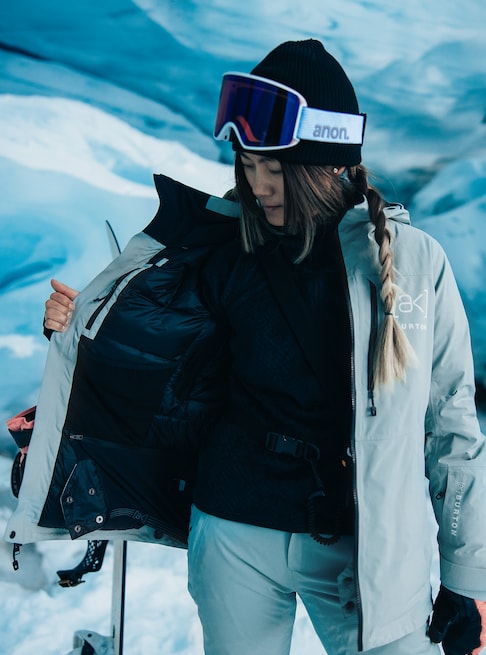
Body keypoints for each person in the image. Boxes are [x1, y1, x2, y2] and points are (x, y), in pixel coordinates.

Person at [18, 39, 486, 655]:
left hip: (365, 550)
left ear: (327, 165)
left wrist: (467, 577)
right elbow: (154, 359)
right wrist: (76, 326)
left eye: (276, 168)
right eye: (247, 165)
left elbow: (451, 424)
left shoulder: (415, 263)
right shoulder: (223, 248)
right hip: (233, 532)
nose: (258, 185)